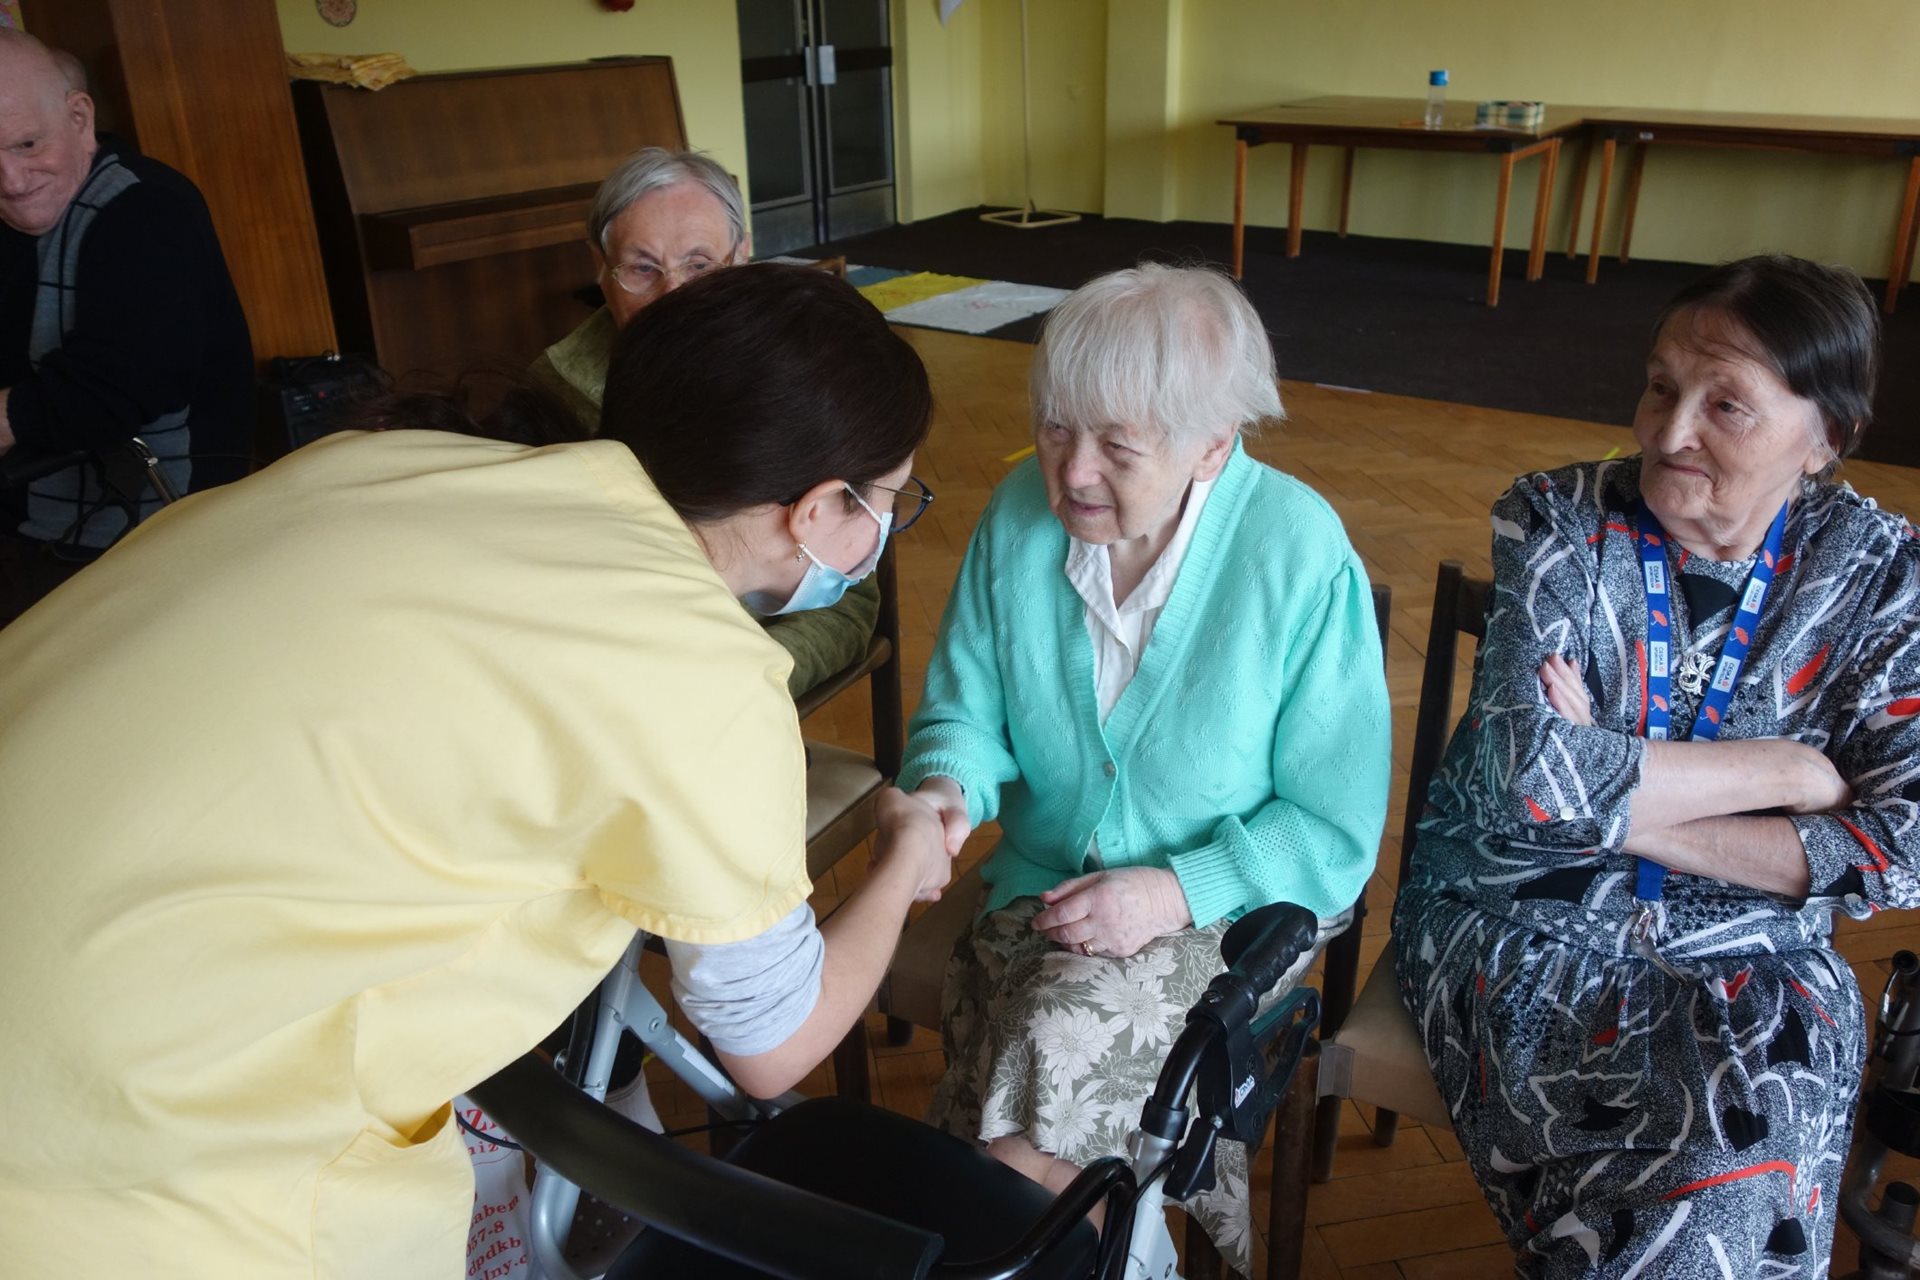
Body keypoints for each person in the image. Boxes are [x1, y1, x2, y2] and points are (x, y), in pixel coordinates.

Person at [0, 263, 954, 1277]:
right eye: (887, 501)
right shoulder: (699, 671)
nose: (883, 531)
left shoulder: (400, 460)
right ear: (817, 508)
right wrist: (903, 858)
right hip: (126, 1156)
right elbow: (773, 1041)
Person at [1394, 254, 1917, 1277]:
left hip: (1756, 952)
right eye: (1661, 386)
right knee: (1701, 1196)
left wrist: (1620, 800)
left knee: (1749, 1150)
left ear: (1828, 436)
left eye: (1726, 404)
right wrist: (1789, 772)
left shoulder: (1883, 574)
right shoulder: (1558, 517)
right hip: (1524, 924)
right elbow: (1526, 780)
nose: (1668, 433)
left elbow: (1902, 847)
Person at [898, 263, 1391, 1272]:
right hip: (1044, 891)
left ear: (1215, 442)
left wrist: (1173, 889)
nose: (1073, 472)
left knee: (1030, 1102)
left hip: (1236, 907)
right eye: (1055, 429)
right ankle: (1127, 1243)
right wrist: (946, 788)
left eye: (1118, 446)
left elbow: (1332, 830)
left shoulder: (1297, 553)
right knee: (1038, 1107)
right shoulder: (1016, 517)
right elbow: (963, 712)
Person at [528, 145, 882, 697]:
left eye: (699, 265)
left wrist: (744, 682)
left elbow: (847, 601)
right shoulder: (550, 395)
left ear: (742, 256)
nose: (674, 296)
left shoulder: (797, 373)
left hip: (755, 661)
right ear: (600, 266)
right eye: (642, 269)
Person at [0, 31, 253, 621]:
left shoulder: (146, 208)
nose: (11, 181)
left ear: (79, 118)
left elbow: (118, 388)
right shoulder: (23, 211)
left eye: (28, 144)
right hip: (35, 521)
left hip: (151, 531)